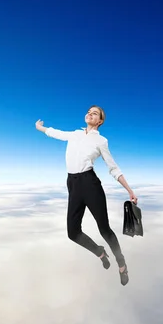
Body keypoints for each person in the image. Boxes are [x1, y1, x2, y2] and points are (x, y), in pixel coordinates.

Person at [35, 105, 137, 286]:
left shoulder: (101, 141)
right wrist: (40, 128)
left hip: (90, 184)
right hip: (72, 184)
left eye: (95, 113)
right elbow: (55, 133)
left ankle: (121, 263)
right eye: (89, 111)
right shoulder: (74, 134)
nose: (90, 114)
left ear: (100, 121)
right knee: (72, 233)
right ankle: (100, 252)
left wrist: (129, 191)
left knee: (104, 229)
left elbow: (113, 167)